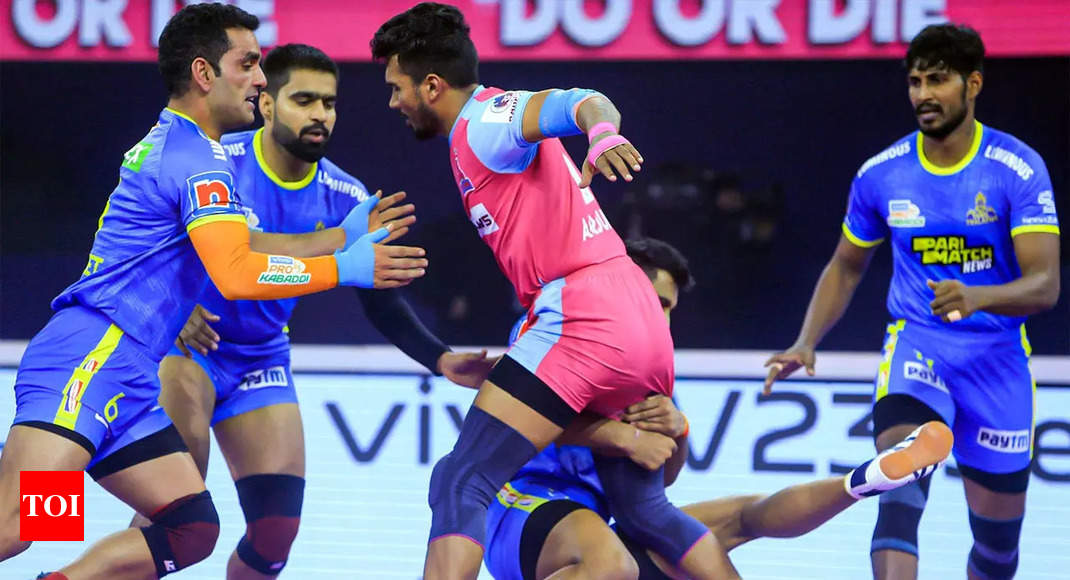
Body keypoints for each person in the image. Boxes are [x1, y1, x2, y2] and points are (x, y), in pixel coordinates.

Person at [0, 5, 425, 579]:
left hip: (125, 380)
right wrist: (343, 267)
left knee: (191, 525)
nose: (258, 78)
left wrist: (334, 237)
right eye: (247, 63)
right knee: (21, 528)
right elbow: (238, 274)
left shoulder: (192, 149)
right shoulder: (197, 160)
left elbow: (242, 242)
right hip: (88, 363)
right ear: (204, 73)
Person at [371, 4, 732, 578]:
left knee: (461, 479)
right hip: (639, 317)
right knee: (644, 511)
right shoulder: (480, 132)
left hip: (584, 315)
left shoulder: (484, 121)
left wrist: (603, 130)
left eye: (397, 88)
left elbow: (577, 99)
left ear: (432, 85)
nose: (393, 102)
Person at [127, 43, 491, 579]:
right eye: (304, 99)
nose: (321, 113)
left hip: (259, 359)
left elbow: (379, 297)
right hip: (186, 351)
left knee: (275, 534)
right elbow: (146, 243)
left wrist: (439, 359)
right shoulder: (215, 165)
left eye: (330, 102)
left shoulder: (347, 196)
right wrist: (172, 307)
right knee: (169, 510)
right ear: (268, 104)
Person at [765, 24, 1059, 580]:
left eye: (939, 80)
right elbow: (845, 266)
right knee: (898, 492)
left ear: (973, 84)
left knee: (998, 552)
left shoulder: (1016, 169)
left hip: (997, 362)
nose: (923, 93)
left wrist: (978, 297)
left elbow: (1045, 286)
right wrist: (805, 341)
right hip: (918, 349)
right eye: (915, 81)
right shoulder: (882, 174)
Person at [484, 238, 954, 580]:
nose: (665, 320)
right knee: (611, 564)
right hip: (521, 509)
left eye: (671, 308)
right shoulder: (555, 328)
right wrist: (622, 435)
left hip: (603, 523)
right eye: (658, 303)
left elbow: (658, 483)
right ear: (621, 287)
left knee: (743, 517)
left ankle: (861, 481)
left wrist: (679, 430)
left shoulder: (649, 364)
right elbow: (519, 423)